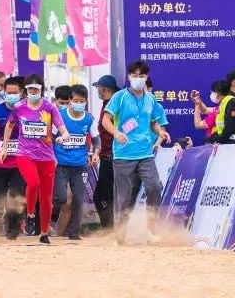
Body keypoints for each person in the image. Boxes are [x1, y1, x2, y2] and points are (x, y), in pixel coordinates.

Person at [102, 60, 170, 244]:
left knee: (155, 187)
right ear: (129, 77)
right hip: (123, 154)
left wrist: (160, 132)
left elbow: (153, 122)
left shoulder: (151, 98)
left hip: (145, 154)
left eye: (142, 76)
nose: (138, 79)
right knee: (123, 197)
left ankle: (150, 230)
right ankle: (120, 236)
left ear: (146, 77)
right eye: (135, 75)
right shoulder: (120, 97)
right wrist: (116, 133)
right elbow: (106, 120)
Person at [1, 74, 69, 244]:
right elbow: (9, 125)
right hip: (25, 154)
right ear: (25, 90)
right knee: (33, 183)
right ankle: (30, 214)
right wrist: (4, 147)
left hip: (46, 157)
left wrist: (64, 136)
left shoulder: (49, 107)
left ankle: (43, 233)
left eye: (36, 89)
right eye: (30, 89)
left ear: (41, 90)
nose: (33, 91)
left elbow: (62, 128)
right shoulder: (19, 107)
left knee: (46, 198)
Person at [52, 85, 98, 240]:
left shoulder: (89, 119)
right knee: (61, 198)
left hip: (80, 166)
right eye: (76, 100)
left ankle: (74, 232)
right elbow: (50, 138)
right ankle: (54, 213)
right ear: (70, 100)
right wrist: (52, 155)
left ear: (86, 101)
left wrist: (95, 153)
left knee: (78, 200)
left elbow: (96, 140)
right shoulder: (59, 117)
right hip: (61, 165)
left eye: (82, 101)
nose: (79, 103)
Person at [0, 76, 26, 239]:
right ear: (4, 92)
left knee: (16, 197)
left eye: (15, 92)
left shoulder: (27, 110)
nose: (11, 95)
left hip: (20, 162)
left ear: (21, 92)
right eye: (8, 92)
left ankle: (13, 229)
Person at [92, 74, 119, 228]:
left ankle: (109, 228)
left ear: (104, 89)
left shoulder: (114, 105)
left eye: (98, 88)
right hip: (107, 155)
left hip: (111, 156)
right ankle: (111, 228)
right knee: (108, 196)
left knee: (101, 196)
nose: (97, 90)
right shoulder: (107, 104)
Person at [209, 69, 235, 144]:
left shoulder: (231, 100)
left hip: (231, 143)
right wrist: (220, 139)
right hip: (232, 143)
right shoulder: (232, 101)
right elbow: (230, 126)